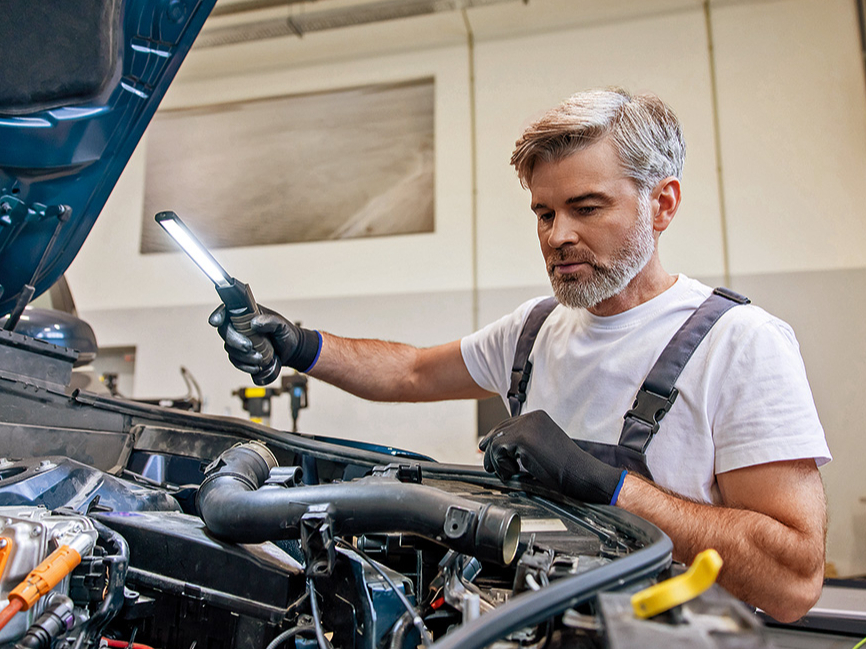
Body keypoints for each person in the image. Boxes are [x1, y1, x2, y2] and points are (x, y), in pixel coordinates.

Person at [210, 87, 831, 623]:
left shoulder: (741, 343)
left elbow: (792, 583)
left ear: (661, 204)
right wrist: (298, 344)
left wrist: (610, 488)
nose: (558, 235)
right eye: (544, 212)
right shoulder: (534, 330)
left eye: (586, 208)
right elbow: (409, 370)